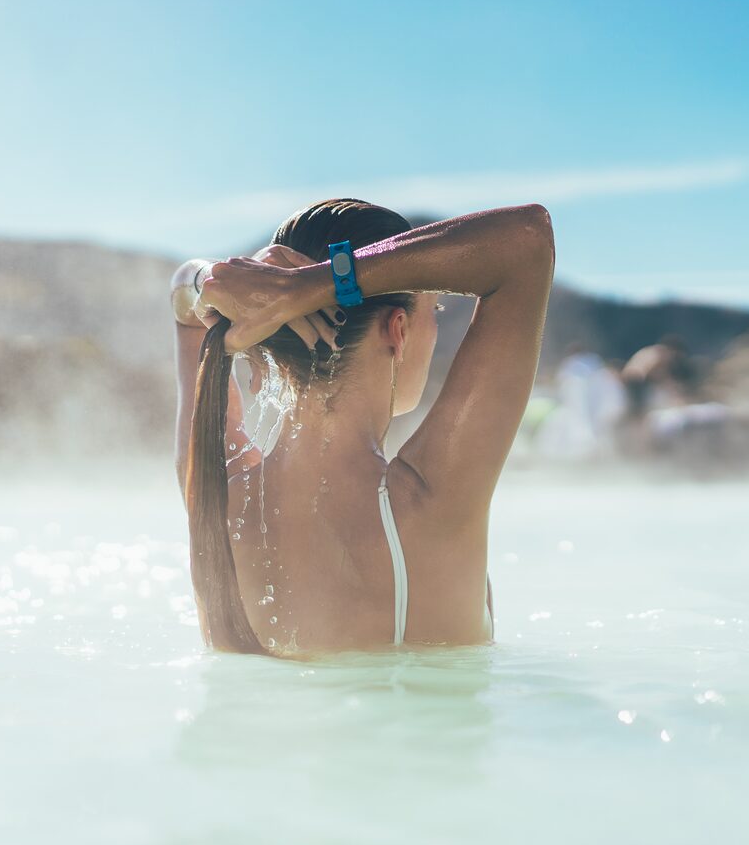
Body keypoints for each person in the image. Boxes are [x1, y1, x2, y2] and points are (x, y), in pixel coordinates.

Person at [170, 199, 556, 655]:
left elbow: (184, 298)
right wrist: (313, 286)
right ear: (398, 329)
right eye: (434, 309)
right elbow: (527, 240)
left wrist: (219, 278)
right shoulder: (427, 504)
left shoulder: (213, 489)